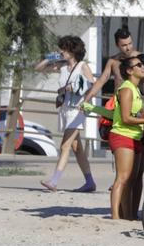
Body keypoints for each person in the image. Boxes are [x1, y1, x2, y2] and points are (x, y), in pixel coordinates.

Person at [92, 52, 144, 224]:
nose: (143, 67)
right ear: (130, 71)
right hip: (123, 135)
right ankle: (115, 216)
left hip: (136, 136)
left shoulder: (137, 90)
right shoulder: (126, 89)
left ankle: (129, 215)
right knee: (122, 178)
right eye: (139, 65)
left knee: (132, 178)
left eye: (142, 64)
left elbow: (137, 114)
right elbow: (125, 118)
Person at [37, 35, 98, 194]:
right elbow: (39, 68)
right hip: (65, 109)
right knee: (77, 148)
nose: (61, 52)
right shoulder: (62, 66)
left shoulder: (82, 66)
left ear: (72, 51)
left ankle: (54, 181)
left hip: (77, 111)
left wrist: (87, 103)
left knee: (65, 146)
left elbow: (92, 86)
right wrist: (51, 57)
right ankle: (90, 182)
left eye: (63, 49)